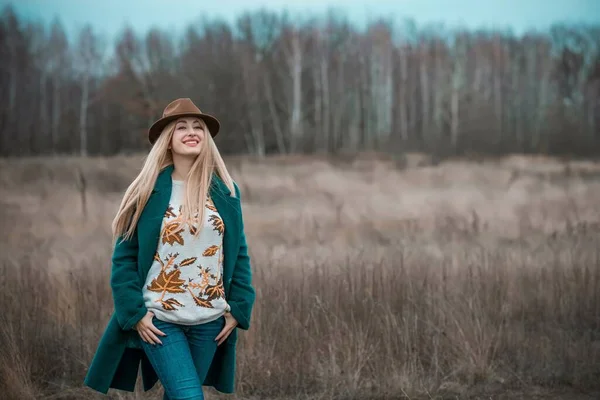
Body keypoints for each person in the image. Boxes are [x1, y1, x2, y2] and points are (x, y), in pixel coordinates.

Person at [84, 98, 256, 399]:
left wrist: (238, 310)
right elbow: (123, 257)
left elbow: (238, 253)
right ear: (167, 141)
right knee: (190, 396)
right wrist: (134, 313)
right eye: (182, 127)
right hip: (161, 322)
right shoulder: (147, 190)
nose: (192, 132)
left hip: (210, 323)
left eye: (198, 127)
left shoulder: (226, 190)